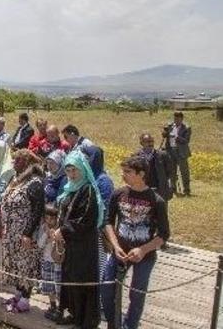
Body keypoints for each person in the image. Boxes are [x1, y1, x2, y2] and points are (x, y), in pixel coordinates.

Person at [101, 155, 170, 329]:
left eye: (128, 172)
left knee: (137, 294)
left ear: (141, 174)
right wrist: (115, 246)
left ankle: (130, 326)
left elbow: (164, 234)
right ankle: (113, 322)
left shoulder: (157, 201)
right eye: (123, 171)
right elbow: (108, 222)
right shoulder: (118, 194)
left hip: (144, 256)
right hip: (119, 252)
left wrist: (143, 250)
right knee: (107, 288)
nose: (123, 175)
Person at [53, 150, 105, 328]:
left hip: (83, 246)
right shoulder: (69, 188)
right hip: (70, 245)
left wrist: (64, 230)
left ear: (83, 169)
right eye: (68, 170)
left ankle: (86, 320)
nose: (72, 174)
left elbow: (85, 219)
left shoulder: (87, 189)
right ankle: (74, 313)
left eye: (75, 170)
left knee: (82, 280)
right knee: (70, 279)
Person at [0, 158, 45, 313]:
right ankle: (18, 294)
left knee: (26, 264)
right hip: (12, 232)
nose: (14, 164)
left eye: (18, 161)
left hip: (25, 233)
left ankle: (25, 299)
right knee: (15, 264)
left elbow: (37, 210)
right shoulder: (17, 180)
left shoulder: (35, 183)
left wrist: (28, 234)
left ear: (28, 164)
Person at [38, 203, 63, 321]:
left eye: (52, 218)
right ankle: (52, 305)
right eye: (47, 218)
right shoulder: (43, 228)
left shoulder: (59, 230)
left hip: (57, 262)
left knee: (58, 285)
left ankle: (61, 307)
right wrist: (46, 236)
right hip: (47, 260)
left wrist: (55, 237)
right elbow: (39, 245)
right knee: (49, 285)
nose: (49, 221)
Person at [136, 133, 173, 201]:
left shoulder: (162, 155)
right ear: (141, 143)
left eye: (152, 141)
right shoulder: (136, 157)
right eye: (148, 142)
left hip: (159, 190)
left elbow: (169, 172)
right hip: (142, 189)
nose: (151, 144)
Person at [162, 111, 192, 196]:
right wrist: (165, 132)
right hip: (171, 151)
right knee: (172, 171)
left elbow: (186, 140)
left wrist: (176, 137)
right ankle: (173, 189)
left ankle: (186, 190)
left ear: (182, 119)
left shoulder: (186, 127)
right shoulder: (170, 126)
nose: (176, 120)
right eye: (175, 118)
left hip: (181, 152)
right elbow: (164, 136)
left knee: (184, 172)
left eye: (178, 119)